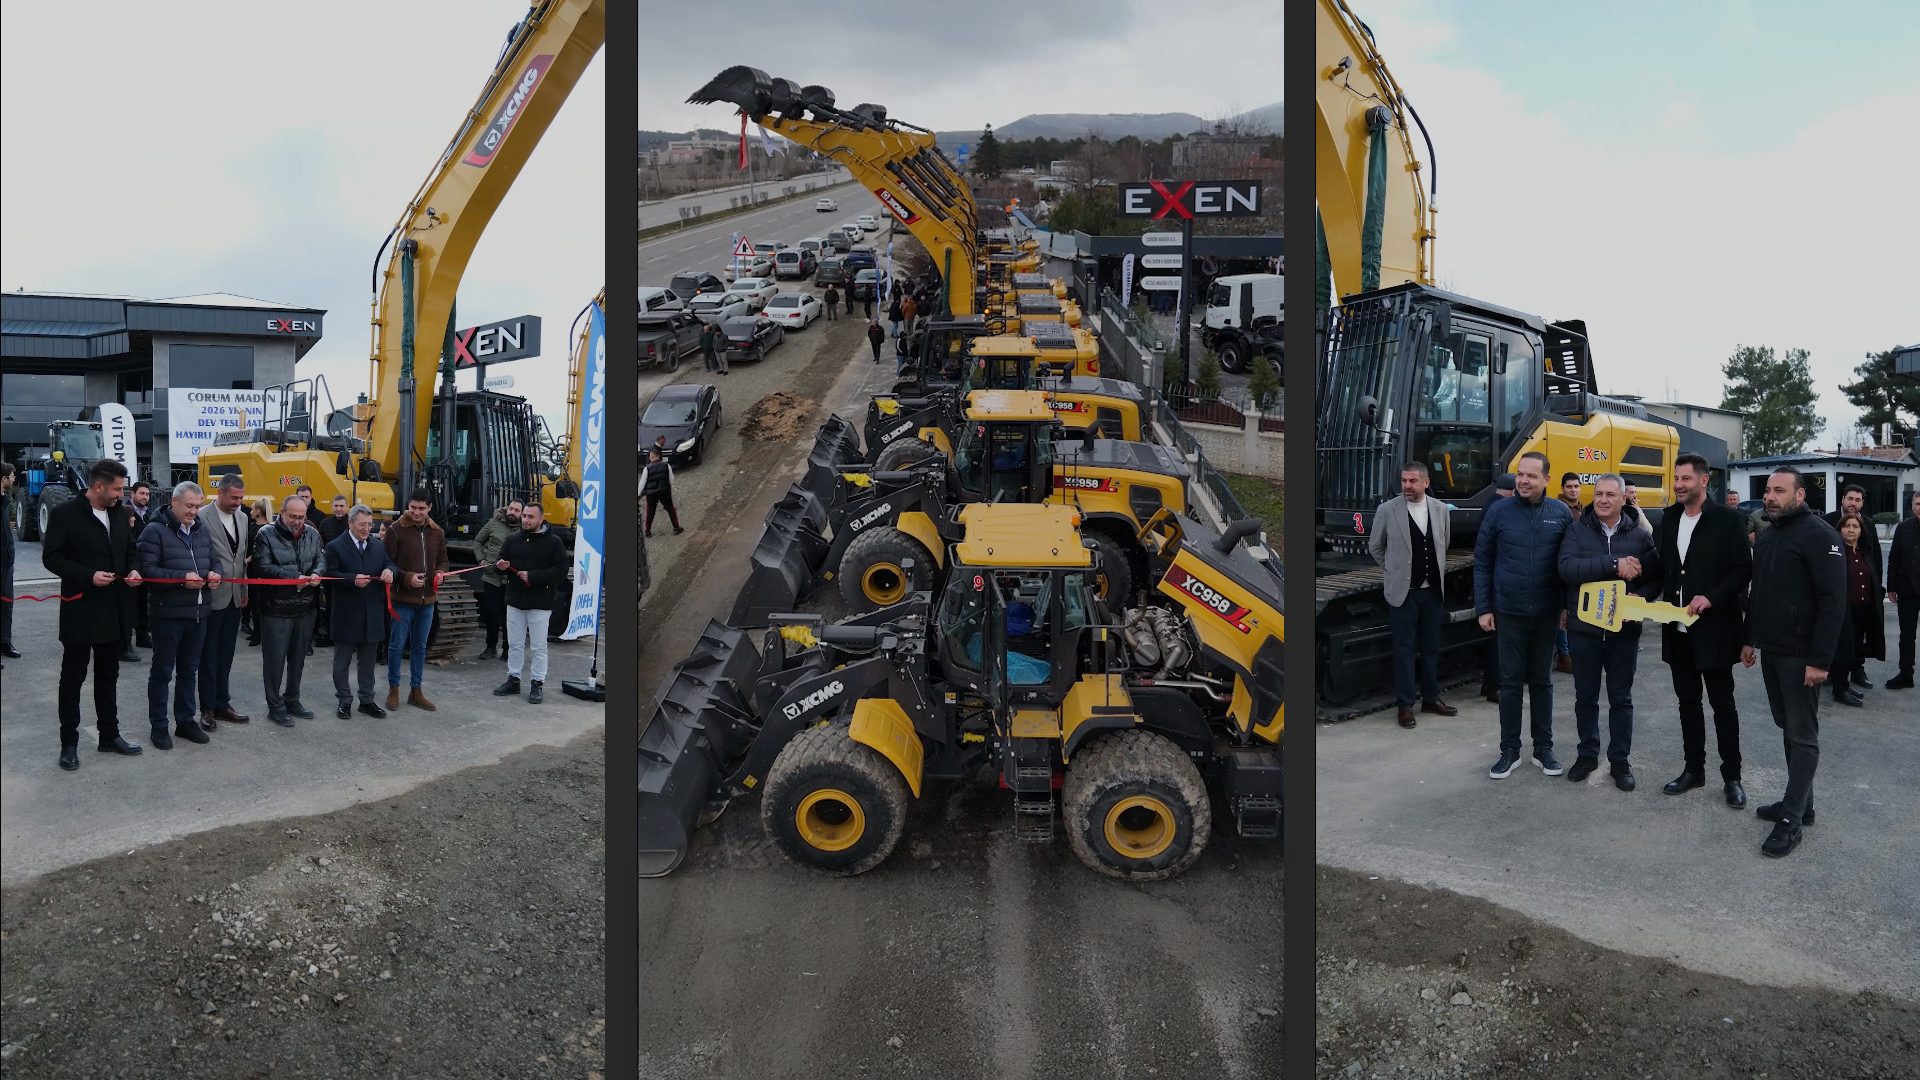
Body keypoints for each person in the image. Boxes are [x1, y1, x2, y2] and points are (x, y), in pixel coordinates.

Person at [1745, 466, 1845, 857]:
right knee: (1787, 727)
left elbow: (1833, 604)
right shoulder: (1769, 535)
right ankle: (1802, 803)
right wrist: (1749, 639)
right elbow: (1760, 593)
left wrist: (1820, 661)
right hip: (1772, 650)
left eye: (1779, 490)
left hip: (1803, 656)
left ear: (1800, 495)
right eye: (1768, 490)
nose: (1770, 496)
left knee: (1802, 734)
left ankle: (1791, 820)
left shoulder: (1821, 536)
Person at [1655, 453, 1753, 807]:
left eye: (1685, 479)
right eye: (1676, 479)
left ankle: (1733, 777)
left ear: (1704, 480)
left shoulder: (1729, 520)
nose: (1679, 485)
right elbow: (1662, 568)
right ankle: (1694, 770)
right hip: (1677, 630)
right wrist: (1634, 595)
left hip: (1715, 632)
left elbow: (1742, 570)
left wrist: (1711, 597)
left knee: (1722, 705)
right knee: (1687, 704)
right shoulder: (1667, 519)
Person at [1474, 451, 1575, 780]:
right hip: (1509, 611)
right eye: (1520, 474)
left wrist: (1565, 607)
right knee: (1510, 683)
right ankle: (1509, 751)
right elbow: (1483, 561)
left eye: (1531, 475)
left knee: (1543, 682)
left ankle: (1543, 749)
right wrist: (1484, 607)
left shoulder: (1560, 513)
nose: (1523, 480)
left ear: (1547, 479)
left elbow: (1568, 563)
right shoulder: (1499, 512)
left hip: (1546, 613)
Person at [1557, 474, 1661, 790]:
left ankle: (1619, 760)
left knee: (1621, 699)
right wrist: (1615, 564)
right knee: (1585, 697)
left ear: (1622, 499)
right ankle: (1587, 755)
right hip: (1584, 630)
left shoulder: (1641, 537)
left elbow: (1656, 577)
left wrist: (1641, 596)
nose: (1603, 500)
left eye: (1610, 495)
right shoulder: (1576, 531)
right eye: (1598, 494)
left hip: (1623, 633)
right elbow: (1567, 569)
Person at [42, 458, 144, 769]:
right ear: (98, 485)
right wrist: (88, 576)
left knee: (108, 676)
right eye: (116, 489)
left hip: (114, 610)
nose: (120, 495)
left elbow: (130, 549)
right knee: (73, 678)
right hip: (80, 608)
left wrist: (133, 570)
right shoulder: (65, 515)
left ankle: (109, 736)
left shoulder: (118, 513)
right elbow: (52, 558)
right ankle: (69, 743)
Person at [1368, 461, 1456, 729]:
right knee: (1404, 651)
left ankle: (1431, 698)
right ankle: (1405, 705)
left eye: (1412, 481)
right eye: (1404, 481)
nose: (1406, 486)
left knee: (1430, 648)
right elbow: (1375, 546)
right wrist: (1394, 571)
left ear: (1426, 483)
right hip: (1403, 594)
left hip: (1432, 593)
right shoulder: (1387, 510)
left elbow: (1444, 543)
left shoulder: (1441, 510)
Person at [137, 481, 218, 750]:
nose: (194, 511)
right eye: (189, 506)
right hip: (167, 615)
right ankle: (159, 726)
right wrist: (182, 579)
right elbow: (147, 571)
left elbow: (212, 560)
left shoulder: (201, 531)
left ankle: (185, 722)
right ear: (174, 502)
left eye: (198, 506)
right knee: (162, 672)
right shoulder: (154, 531)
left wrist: (214, 574)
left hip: (198, 612)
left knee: (188, 671)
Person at [253, 494, 325, 726]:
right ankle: (275, 706)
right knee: (274, 661)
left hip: (305, 608)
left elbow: (321, 559)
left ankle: (292, 699)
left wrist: (316, 574)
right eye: (293, 516)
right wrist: (293, 577)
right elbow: (262, 566)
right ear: (282, 513)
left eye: (301, 517)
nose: (297, 521)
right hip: (276, 609)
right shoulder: (265, 534)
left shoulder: (312, 534)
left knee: (298, 659)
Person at [493, 502, 569, 704]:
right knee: (515, 644)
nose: (525, 520)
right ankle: (514, 679)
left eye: (530, 517)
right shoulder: (512, 540)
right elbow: (499, 564)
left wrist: (534, 576)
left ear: (541, 519)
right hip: (515, 601)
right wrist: (500, 566)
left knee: (538, 646)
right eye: (524, 516)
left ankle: (537, 683)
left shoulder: (554, 542)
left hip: (540, 603)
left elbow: (561, 571)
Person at [325, 504, 394, 720]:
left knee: (367, 663)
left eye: (370, 524)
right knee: (342, 663)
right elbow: (330, 574)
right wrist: (352, 579)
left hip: (372, 613)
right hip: (347, 614)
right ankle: (344, 701)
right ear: (350, 523)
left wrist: (390, 571)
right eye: (362, 524)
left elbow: (391, 564)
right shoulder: (335, 546)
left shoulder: (378, 545)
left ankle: (367, 700)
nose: (367, 529)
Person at [196, 473, 251, 731]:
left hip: (235, 597)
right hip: (211, 597)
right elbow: (198, 553)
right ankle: (206, 708)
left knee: (226, 654)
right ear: (220, 494)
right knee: (209, 655)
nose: (238, 502)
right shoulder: (202, 516)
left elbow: (240, 559)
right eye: (233, 498)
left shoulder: (242, 517)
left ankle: (222, 703)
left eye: (241, 498)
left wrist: (245, 588)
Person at [385, 489, 448, 712]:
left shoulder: (437, 532)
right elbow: (388, 563)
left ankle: (416, 691)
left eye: (421, 508)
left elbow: (443, 560)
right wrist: (407, 577)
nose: (416, 512)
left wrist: (440, 573)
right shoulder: (395, 530)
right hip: (402, 599)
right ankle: (394, 689)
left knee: (420, 647)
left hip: (427, 602)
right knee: (396, 646)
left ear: (429, 508)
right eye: (413, 508)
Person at [1831, 510, 1884, 707]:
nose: (1851, 530)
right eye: (1847, 526)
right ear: (1840, 529)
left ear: (1861, 530)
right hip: (1844, 610)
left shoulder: (1864, 551)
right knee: (1842, 651)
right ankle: (1839, 689)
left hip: (1863, 609)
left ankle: (1844, 684)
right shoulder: (1836, 552)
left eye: (1855, 526)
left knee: (1854, 650)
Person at [1476, 472, 1517, 703]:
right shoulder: (1501, 510)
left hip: (1493, 584)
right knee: (1499, 642)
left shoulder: (1489, 505)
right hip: (1499, 585)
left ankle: (1490, 685)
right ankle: (1494, 686)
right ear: (1512, 492)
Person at [474, 499, 521, 660]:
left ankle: (508, 649)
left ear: (521, 514)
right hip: (491, 576)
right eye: (511, 509)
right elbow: (478, 541)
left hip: (512, 580)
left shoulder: (524, 529)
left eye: (517, 510)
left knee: (511, 617)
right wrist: (481, 560)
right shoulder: (493, 523)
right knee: (492, 613)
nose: (513, 512)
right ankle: (490, 647)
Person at [1886, 490, 1920, 690]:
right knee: (1907, 636)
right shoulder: (1903, 528)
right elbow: (1893, 559)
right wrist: (1891, 587)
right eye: (1917, 504)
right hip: (1907, 590)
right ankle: (1906, 673)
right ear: (1913, 506)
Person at [123, 479, 156, 659]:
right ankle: (126, 644)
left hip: (146, 568)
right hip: (129, 569)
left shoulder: (150, 514)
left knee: (144, 604)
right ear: (133, 494)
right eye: (142, 493)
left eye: (148, 494)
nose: (145, 497)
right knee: (130, 607)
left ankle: (143, 636)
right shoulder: (124, 513)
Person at [641, 448, 684, 537]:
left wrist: (639, 494)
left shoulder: (647, 468)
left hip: (651, 493)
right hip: (664, 491)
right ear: (659, 456)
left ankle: (648, 531)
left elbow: (642, 482)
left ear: (651, 457)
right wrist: (669, 487)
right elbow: (671, 479)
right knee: (670, 509)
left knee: (650, 512)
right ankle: (676, 528)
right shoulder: (666, 465)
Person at [0, 463, 18, 666]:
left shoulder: (5, 500)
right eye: (12, 476)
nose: (14, 479)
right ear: (4, 478)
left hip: (7, 561)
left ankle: (5, 642)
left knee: (6, 605)